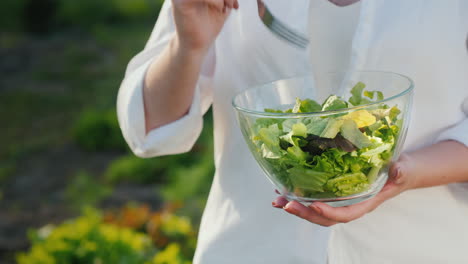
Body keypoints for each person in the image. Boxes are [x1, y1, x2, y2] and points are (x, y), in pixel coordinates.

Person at [117, 0, 468, 263]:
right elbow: (151, 130)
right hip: (253, 248)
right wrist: (188, 45)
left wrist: (402, 174)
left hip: (423, 246)